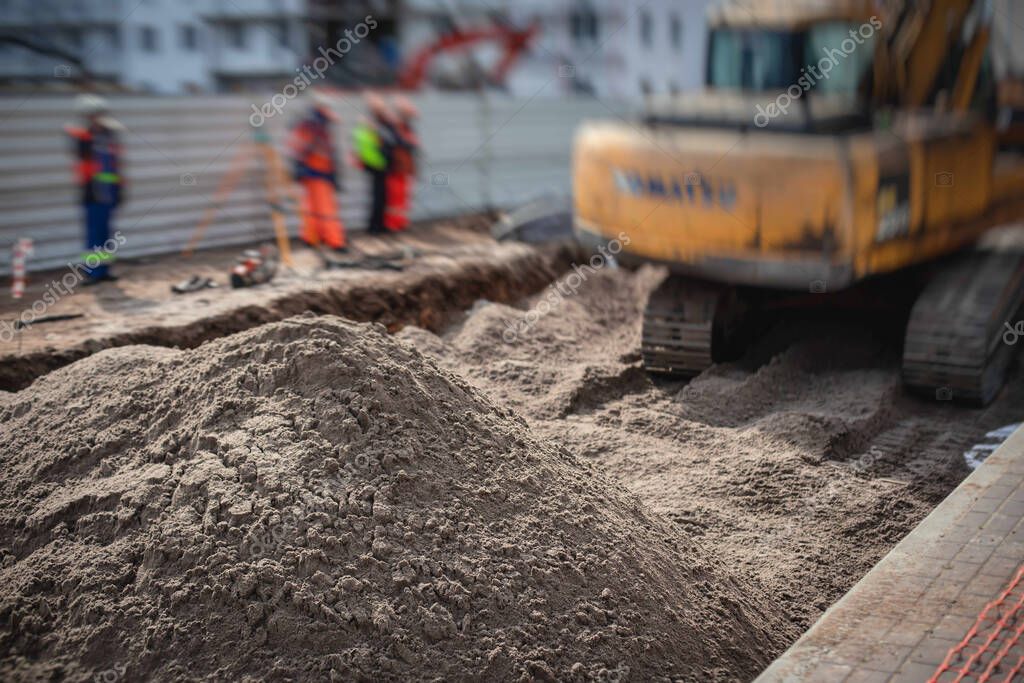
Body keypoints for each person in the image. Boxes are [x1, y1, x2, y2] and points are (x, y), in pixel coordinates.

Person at [65, 94, 124, 285]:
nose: (98, 118)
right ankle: (93, 272)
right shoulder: (83, 138)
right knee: (94, 234)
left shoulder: (108, 136)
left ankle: (104, 270)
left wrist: (119, 189)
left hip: (108, 192)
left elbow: (115, 166)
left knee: (106, 234)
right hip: (92, 193)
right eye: (94, 115)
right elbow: (83, 156)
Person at [289, 91, 347, 252]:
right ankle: (336, 241)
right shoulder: (316, 124)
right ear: (321, 107)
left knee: (311, 208)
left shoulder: (308, 123)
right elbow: (305, 148)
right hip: (318, 172)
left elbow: (296, 148)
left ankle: (311, 238)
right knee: (326, 209)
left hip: (310, 172)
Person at [352, 93, 395, 235]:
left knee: (382, 196)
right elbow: (377, 143)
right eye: (380, 108)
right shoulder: (371, 124)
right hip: (377, 164)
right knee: (378, 196)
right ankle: (374, 227)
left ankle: (379, 225)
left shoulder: (379, 123)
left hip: (380, 163)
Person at [384, 96, 419, 232]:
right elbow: (400, 144)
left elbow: (412, 146)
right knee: (394, 197)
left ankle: (401, 222)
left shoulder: (406, 128)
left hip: (404, 168)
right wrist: (410, 143)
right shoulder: (394, 128)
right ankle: (391, 224)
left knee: (403, 197)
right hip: (395, 168)